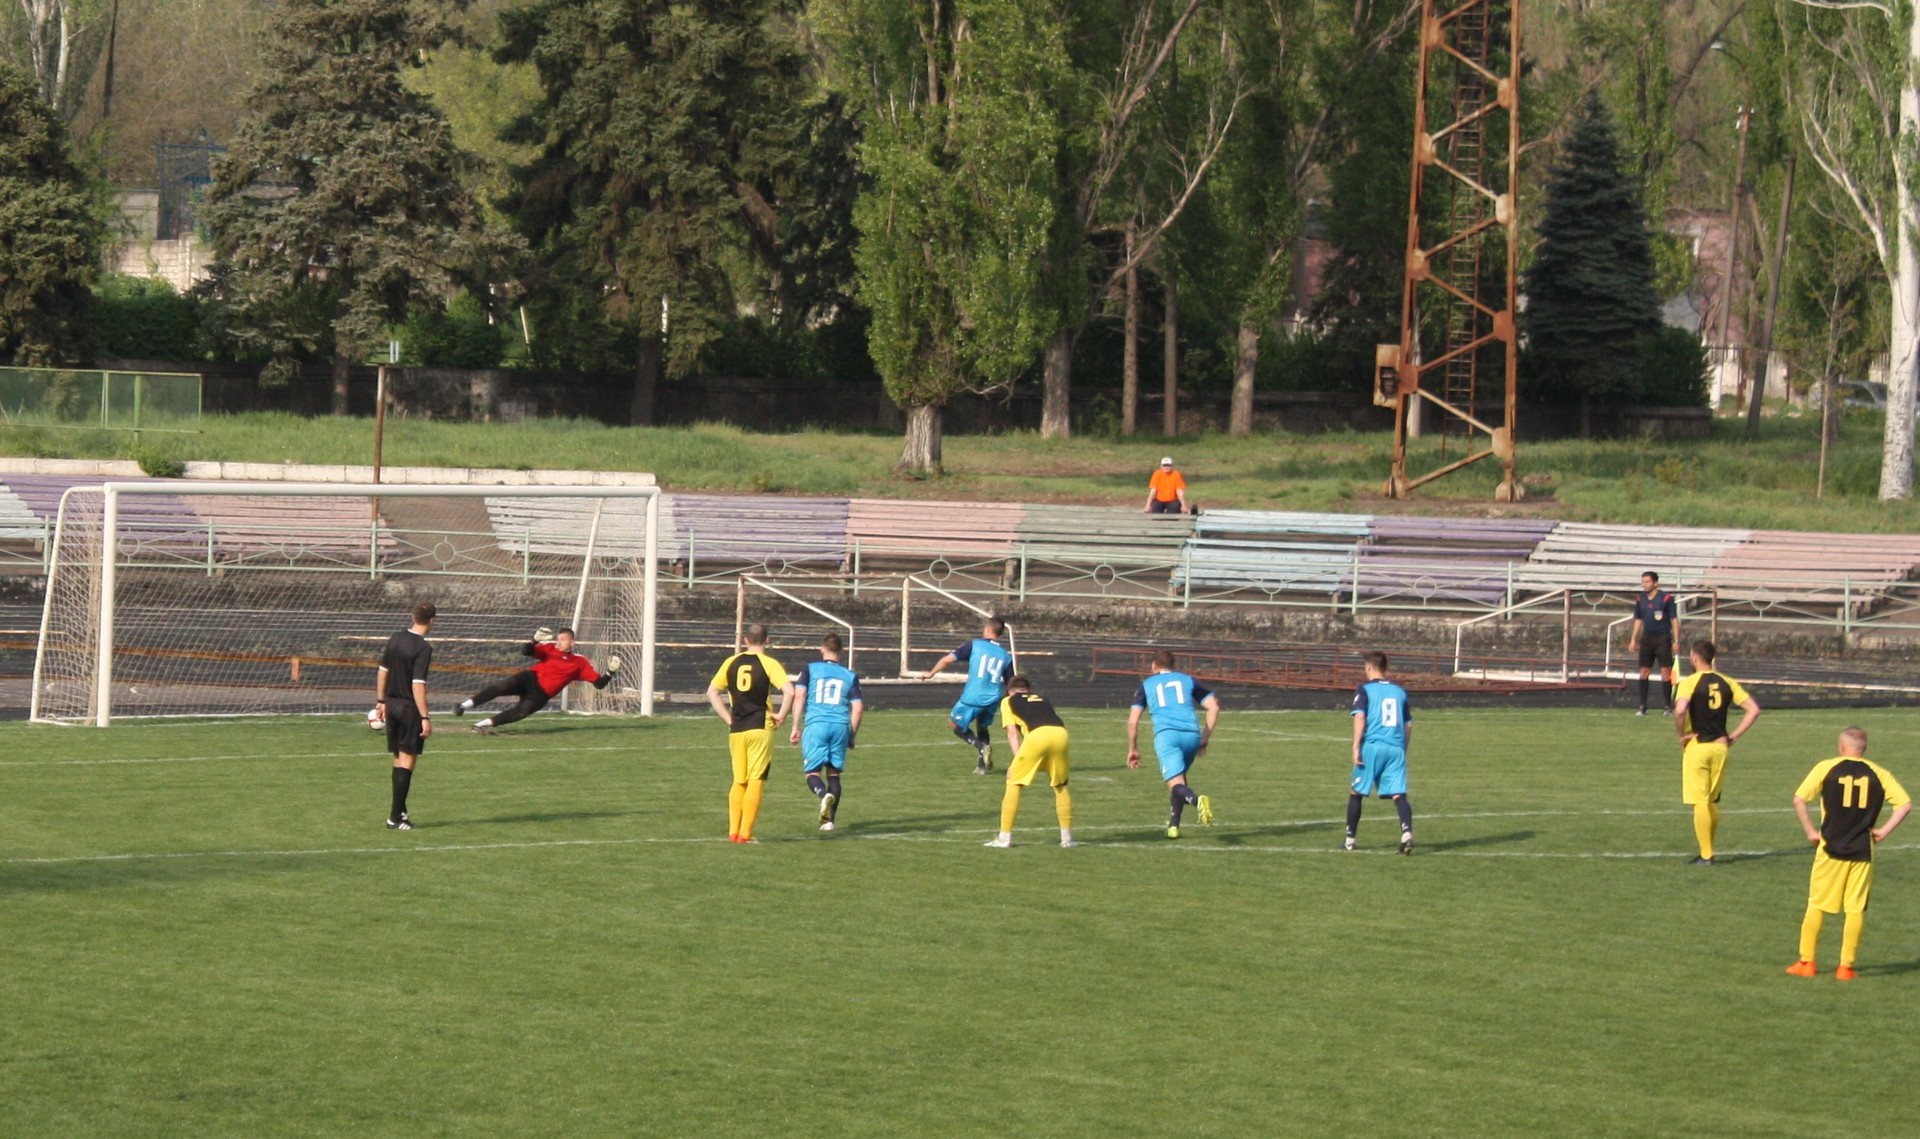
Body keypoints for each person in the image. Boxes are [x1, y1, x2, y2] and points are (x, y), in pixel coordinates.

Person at [1785, 728, 1912, 981]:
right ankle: (1846, 967)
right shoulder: (1879, 773)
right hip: (1862, 850)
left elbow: (1799, 799)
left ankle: (1807, 961)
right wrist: (1884, 830)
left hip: (1830, 847)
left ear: (1842, 747)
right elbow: (1905, 804)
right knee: (1855, 909)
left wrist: (1811, 831)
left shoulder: (1826, 767)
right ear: (1863, 749)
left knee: (1817, 904)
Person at [1671, 640, 1762, 865]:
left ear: (1694, 657)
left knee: (1699, 801)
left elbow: (1680, 710)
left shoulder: (1689, 682)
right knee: (1711, 801)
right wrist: (1734, 736)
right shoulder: (1727, 681)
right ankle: (1708, 851)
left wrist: (1681, 734)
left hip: (1698, 746)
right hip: (1721, 746)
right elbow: (1754, 709)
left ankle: (1706, 854)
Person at [707, 623, 795, 843]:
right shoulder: (768, 663)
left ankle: (733, 832)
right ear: (767, 640)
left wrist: (728, 718)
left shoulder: (731, 662)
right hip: (760, 726)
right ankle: (745, 834)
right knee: (756, 780)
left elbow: (712, 692)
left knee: (739, 780)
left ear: (745, 640)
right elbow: (790, 691)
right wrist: (781, 715)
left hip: (737, 729)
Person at [453, 626, 621, 733]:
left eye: (563, 639)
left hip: (541, 694)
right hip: (530, 678)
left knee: (520, 713)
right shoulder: (549, 649)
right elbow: (525, 651)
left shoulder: (580, 662)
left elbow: (599, 684)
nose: (559, 642)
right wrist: (534, 640)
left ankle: (482, 725)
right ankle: (463, 706)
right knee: (501, 687)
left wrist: (610, 672)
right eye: (558, 638)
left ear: (572, 642)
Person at [1125, 650, 1220, 838]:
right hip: (1192, 735)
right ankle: (1173, 827)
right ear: (1173, 665)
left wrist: (1133, 748)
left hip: (1167, 736)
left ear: (1153, 665)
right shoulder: (1187, 679)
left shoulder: (1147, 684)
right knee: (1179, 778)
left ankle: (1197, 800)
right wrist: (1205, 738)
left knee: (1176, 784)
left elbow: (1132, 721)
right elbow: (1214, 706)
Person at [984, 676, 1074, 849]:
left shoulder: (1007, 701)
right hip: (1061, 734)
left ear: (1010, 691)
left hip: (1037, 736)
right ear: (1029, 690)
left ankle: (1004, 838)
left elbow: (1012, 734)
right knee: (1061, 785)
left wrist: (1016, 760)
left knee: (1014, 782)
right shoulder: (1043, 699)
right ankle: (1067, 839)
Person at [789, 632, 864, 833]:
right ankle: (829, 821)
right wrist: (852, 735)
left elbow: (799, 696)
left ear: (822, 649)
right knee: (834, 774)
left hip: (816, 724)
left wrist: (795, 726)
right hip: (839, 726)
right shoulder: (850, 675)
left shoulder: (810, 669)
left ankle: (823, 795)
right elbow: (857, 708)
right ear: (841, 651)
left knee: (812, 773)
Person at [371, 601, 435, 830]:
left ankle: (401, 812)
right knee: (407, 763)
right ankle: (394, 818)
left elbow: (382, 672)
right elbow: (418, 685)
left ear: (412, 616)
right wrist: (425, 717)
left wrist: (380, 701)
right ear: (432, 621)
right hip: (409, 709)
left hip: (392, 704)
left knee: (398, 759)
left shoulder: (396, 638)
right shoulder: (423, 648)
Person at [921, 617, 1013, 775]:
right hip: (993, 697)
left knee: (954, 723)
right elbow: (1011, 682)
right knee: (982, 726)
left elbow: (947, 660)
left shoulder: (974, 645)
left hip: (975, 695)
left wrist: (931, 673)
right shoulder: (1005, 655)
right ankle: (982, 767)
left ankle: (981, 747)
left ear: (988, 629)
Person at [1346, 651, 1414, 854]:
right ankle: (1407, 832)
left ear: (1368, 667)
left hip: (1373, 746)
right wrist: (1403, 748)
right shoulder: (1399, 691)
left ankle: (1350, 839)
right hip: (1396, 747)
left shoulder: (1365, 689)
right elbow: (1408, 725)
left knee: (1356, 791)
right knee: (1398, 794)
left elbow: (1360, 717)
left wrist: (1356, 746)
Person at [1628, 571, 1680, 716]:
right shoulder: (1640, 599)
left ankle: (1667, 706)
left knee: (1665, 672)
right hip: (1647, 638)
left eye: (1647, 582)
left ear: (1655, 583)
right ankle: (1642, 706)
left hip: (1662, 637)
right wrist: (1633, 638)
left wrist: (1676, 640)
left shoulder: (1666, 599)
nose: (1644, 584)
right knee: (1644, 671)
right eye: (1643, 581)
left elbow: (1674, 620)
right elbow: (1638, 619)